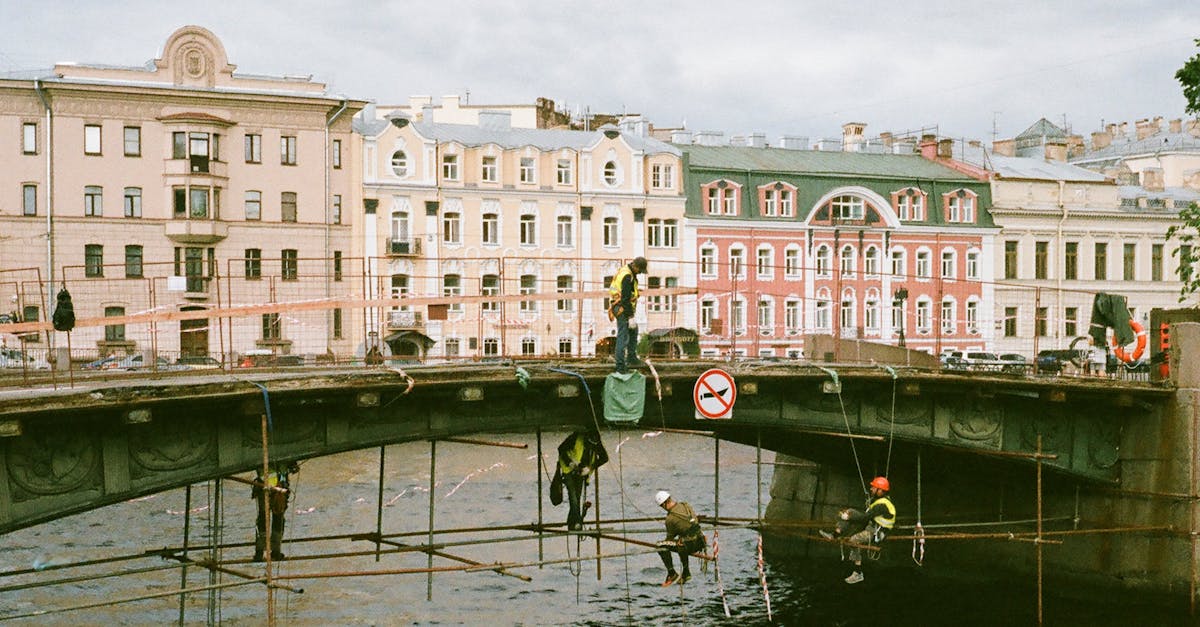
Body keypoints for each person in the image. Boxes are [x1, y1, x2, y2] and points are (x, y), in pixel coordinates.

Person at [820, 476, 895, 584]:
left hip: (877, 532)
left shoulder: (882, 504)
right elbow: (866, 518)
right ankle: (834, 535)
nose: (871, 489)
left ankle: (858, 573)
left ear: (880, 490)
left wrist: (849, 519)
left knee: (853, 540)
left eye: (873, 487)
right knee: (850, 512)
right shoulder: (879, 501)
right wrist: (850, 517)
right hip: (872, 527)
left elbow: (865, 518)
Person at [553, 430, 609, 530]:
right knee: (573, 496)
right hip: (568, 469)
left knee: (577, 497)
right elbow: (561, 449)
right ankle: (577, 523)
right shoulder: (576, 438)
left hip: (581, 472)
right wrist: (570, 463)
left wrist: (590, 468)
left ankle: (572, 523)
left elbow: (604, 458)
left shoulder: (596, 443)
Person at [654, 490, 706, 587]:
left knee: (660, 545)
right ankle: (685, 572)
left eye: (662, 506)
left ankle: (672, 573)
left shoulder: (670, 519)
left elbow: (669, 539)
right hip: (700, 541)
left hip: (689, 545)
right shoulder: (685, 505)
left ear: (665, 503)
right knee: (682, 541)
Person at [252, 462, 298, 561]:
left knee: (264, 520)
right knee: (276, 520)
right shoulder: (283, 456)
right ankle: (273, 551)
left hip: (268, 488)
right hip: (274, 488)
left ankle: (261, 552)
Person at [608, 256, 647, 373]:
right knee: (623, 335)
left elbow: (627, 293)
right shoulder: (627, 276)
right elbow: (625, 298)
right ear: (635, 266)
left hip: (621, 306)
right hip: (621, 307)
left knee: (633, 330)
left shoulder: (627, 271)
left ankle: (631, 358)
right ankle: (620, 365)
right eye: (639, 270)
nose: (640, 273)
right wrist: (630, 317)